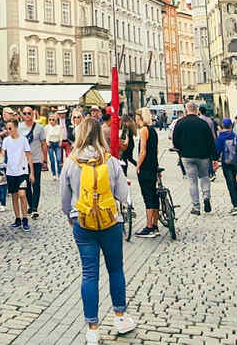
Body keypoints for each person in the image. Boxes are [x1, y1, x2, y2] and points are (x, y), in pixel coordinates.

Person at [58, 118, 136, 345]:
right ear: (100, 135)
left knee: (89, 274)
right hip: (110, 222)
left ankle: (92, 328)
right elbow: (122, 195)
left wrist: (70, 216)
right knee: (115, 269)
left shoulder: (71, 162)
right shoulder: (110, 160)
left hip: (82, 223)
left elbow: (64, 199)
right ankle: (120, 317)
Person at [170, 102, 215, 215]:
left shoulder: (180, 123)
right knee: (205, 177)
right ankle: (206, 197)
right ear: (197, 110)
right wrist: (214, 157)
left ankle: (196, 207)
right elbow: (210, 141)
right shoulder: (203, 123)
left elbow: (175, 140)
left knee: (192, 181)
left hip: (187, 156)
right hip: (203, 156)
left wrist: (180, 149)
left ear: (186, 110)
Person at [0, 120, 31, 230]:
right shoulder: (6, 141)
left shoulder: (23, 140)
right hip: (10, 171)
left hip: (22, 171)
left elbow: (28, 156)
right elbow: (3, 154)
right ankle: (18, 218)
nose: (8, 131)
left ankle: (25, 218)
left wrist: (31, 172)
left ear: (16, 127)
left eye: (10, 128)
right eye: (7, 129)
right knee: (14, 196)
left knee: (22, 194)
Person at [133, 109, 160, 238]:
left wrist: (138, 165)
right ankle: (155, 225)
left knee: (147, 196)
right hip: (153, 165)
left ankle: (149, 226)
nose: (135, 120)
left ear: (141, 117)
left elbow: (142, 151)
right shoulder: (153, 130)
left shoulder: (144, 130)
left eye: (137, 117)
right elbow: (156, 150)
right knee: (154, 196)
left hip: (146, 167)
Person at [20, 107, 45, 219]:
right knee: (26, 184)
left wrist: (45, 159)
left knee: (36, 183)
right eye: (24, 113)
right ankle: (30, 205)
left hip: (36, 159)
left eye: (29, 113)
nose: (27, 115)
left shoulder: (39, 128)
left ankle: (35, 207)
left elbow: (43, 143)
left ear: (33, 114)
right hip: (23, 160)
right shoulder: (19, 127)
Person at [214, 117, 237, 215]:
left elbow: (217, 151)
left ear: (222, 125)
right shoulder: (236, 136)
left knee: (230, 184)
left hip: (226, 163)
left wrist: (215, 161)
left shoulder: (220, 137)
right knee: (236, 183)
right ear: (231, 125)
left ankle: (235, 205)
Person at [46, 110, 67, 176]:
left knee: (58, 159)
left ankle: (59, 173)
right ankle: (54, 173)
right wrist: (47, 142)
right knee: (52, 160)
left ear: (56, 120)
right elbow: (46, 136)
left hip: (57, 144)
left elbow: (61, 135)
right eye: (50, 120)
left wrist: (60, 142)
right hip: (50, 144)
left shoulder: (59, 127)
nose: (51, 121)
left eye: (53, 120)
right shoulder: (47, 127)